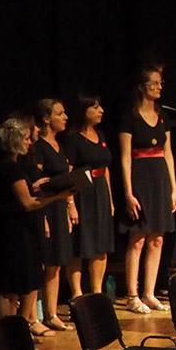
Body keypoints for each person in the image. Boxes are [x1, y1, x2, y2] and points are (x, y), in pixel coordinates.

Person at [0, 115, 75, 336]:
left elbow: (23, 192)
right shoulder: (8, 165)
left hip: (22, 228)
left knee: (24, 281)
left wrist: (37, 185)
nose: (29, 142)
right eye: (26, 138)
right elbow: (26, 203)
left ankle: (19, 333)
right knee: (10, 286)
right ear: (15, 139)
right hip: (12, 230)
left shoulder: (12, 163)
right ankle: (9, 337)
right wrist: (58, 196)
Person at [118, 65, 176, 313]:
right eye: (154, 83)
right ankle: (132, 295)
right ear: (142, 86)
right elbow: (125, 157)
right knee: (138, 239)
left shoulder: (162, 116)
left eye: (161, 83)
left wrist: (174, 190)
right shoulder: (129, 117)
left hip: (161, 180)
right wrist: (129, 193)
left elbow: (168, 154)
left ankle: (149, 292)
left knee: (158, 238)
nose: (159, 87)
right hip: (140, 178)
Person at [60, 93, 115, 301]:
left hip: (100, 190)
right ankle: (77, 295)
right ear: (84, 111)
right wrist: (70, 203)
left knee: (101, 245)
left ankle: (97, 293)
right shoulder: (73, 139)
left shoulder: (100, 135)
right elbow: (69, 172)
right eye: (95, 108)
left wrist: (109, 199)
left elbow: (105, 169)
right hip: (82, 193)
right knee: (80, 244)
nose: (101, 111)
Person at [30, 100, 78, 331]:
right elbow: (36, 185)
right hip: (44, 208)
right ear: (47, 119)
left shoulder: (60, 144)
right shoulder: (38, 146)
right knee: (42, 262)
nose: (65, 116)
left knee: (56, 263)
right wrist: (44, 216)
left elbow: (66, 180)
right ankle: (33, 317)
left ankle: (51, 313)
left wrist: (70, 206)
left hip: (59, 207)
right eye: (60, 113)